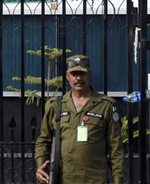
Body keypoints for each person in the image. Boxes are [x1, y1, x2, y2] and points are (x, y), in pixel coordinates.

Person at [34, 55, 124, 184]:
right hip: (63, 179)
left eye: (82, 73)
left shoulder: (105, 105)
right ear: (67, 76)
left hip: (95, 180)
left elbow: (116, 148)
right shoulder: (56, 105)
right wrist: (40, 166)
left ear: (89, 75)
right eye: (74, 74)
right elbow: (43, 140)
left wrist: (118, 180)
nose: (78, 78)